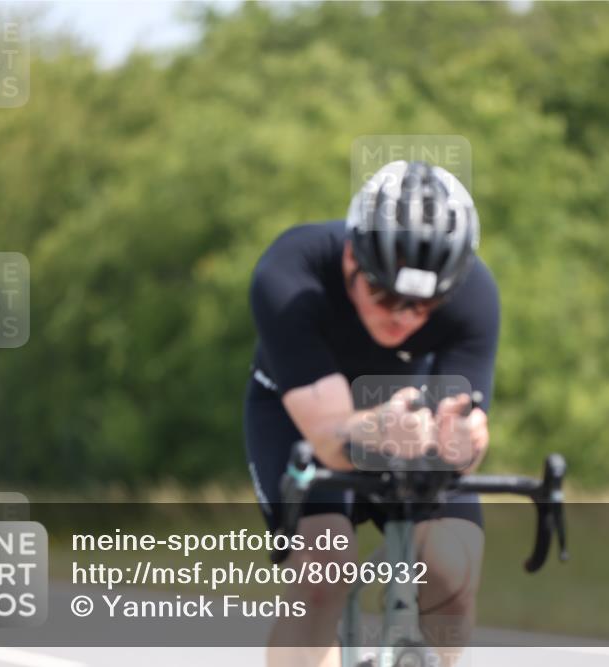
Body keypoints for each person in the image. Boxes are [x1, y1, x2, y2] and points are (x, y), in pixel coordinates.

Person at [244, 160, 500, 667]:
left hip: (412, 415)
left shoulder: (474, 297)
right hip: (299, 415)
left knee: (452, 575)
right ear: (349, 260)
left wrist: (463, 444)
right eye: (384, 294)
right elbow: (330, 441)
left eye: (424, 308)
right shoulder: (290, 274)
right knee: (325, 568)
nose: (402, 317)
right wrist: (381, 428)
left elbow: (462, 442)